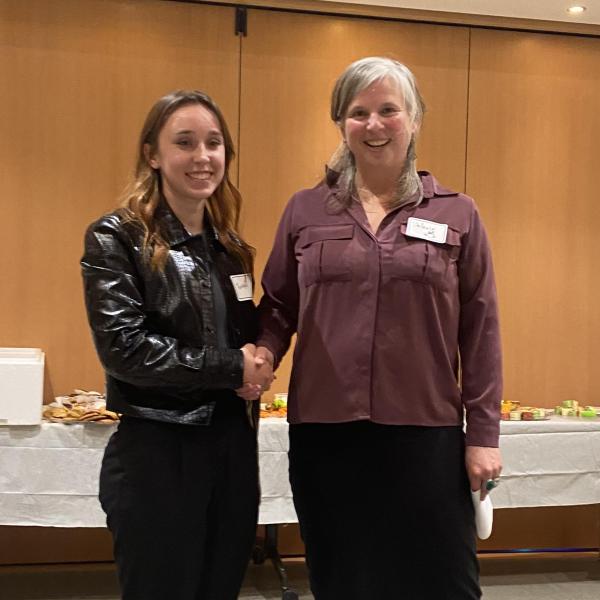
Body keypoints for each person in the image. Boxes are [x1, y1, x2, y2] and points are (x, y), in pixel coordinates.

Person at [255, 57, 503, 599]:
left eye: (389, 110)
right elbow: (277, 305)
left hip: (426, 433)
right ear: (341, 123)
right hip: (326, 433)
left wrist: (482, 435)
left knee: (444, 583)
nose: (374, 124)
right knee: (343, 579)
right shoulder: (304, 211)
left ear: (414, 120)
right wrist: (262, 355)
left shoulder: (458, 214)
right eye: (358, 112)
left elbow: (480, 329)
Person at [81, 90, 272, 600]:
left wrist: (254, 369)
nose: (202, 156)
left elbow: (244, 341)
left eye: (213, 143)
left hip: (231, 451)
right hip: (158, 453)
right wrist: (233, 368)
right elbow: (125, 350)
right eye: (184, 142)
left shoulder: (232, 250)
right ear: (152, 154)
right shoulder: (116, 238)